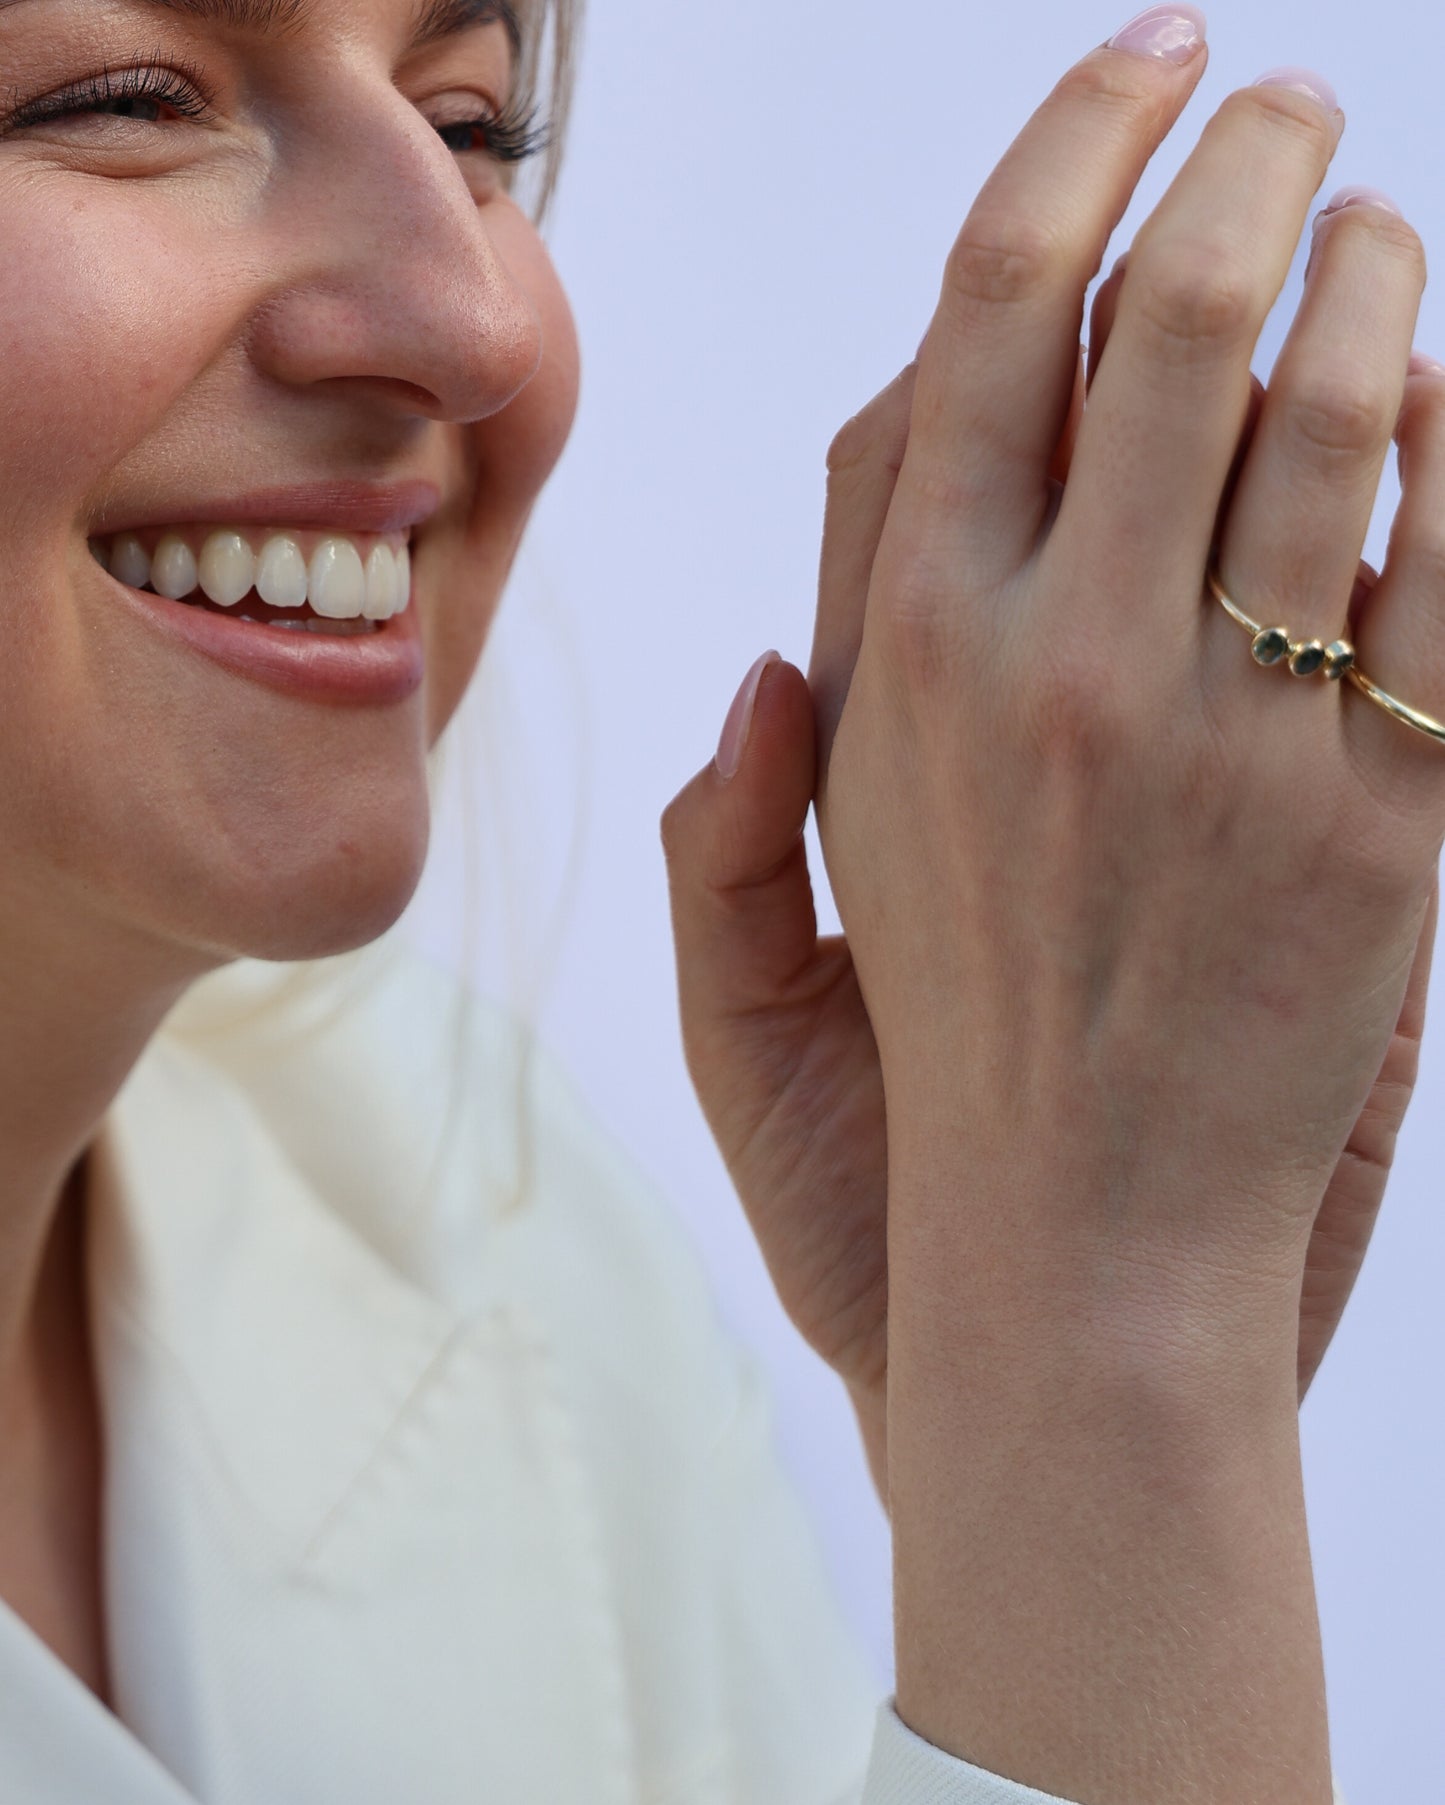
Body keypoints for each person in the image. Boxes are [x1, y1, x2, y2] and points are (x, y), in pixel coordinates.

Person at [0, 0, 1427, 1795]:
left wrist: (1033, 1438)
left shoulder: (469, 1221)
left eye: (471, 125)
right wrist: (1109, 1362)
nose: (481, 317)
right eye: (124, 100)